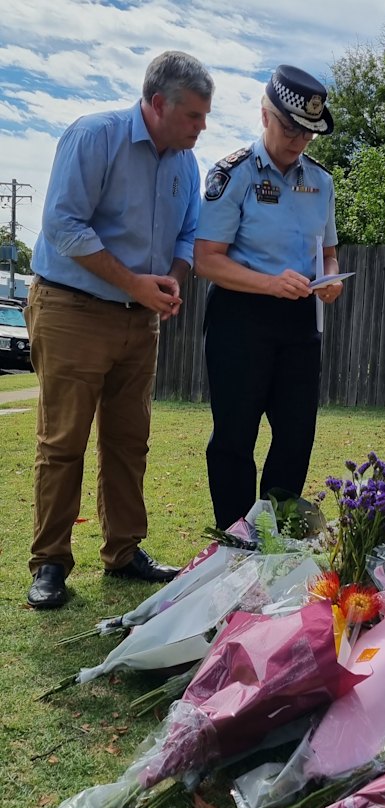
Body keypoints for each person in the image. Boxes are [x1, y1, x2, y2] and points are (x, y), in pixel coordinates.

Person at [25, 50, 214, 609]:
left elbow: (188, 235)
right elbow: (62, 223)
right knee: (63, 443)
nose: (202, 127)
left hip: (141, 320)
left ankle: (124, 550)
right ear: (157, 104)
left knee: (129, 442)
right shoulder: (94, 137)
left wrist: (174, 280)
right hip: (73, 309)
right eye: (193, 116)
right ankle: (50, 562)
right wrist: (134, 282)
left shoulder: (185, 163)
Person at [195, 64, 343, 530]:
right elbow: (206, 260)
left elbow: (331, 254)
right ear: (264, 115)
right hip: (241, 318)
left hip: (300, 320)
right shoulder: (233, 174)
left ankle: (277, 537)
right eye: (289, 127)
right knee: (235, 438)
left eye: (308, 133)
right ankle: (236, 539)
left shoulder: (321, 181)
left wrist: (332, 280)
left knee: (297, 436)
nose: (298, 140)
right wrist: (269, 283)